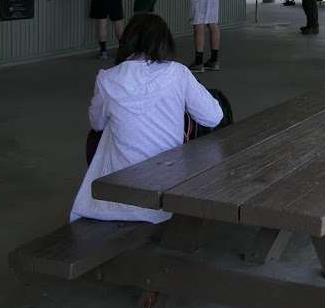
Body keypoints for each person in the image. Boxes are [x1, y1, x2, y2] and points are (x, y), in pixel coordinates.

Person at [70, 13, 223, 224]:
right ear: (164, 42)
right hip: (168, 188)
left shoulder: (107, 78)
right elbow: (213, 117)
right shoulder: (178, 73)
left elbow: (96, 124)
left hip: (117, 193)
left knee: (104, 134)